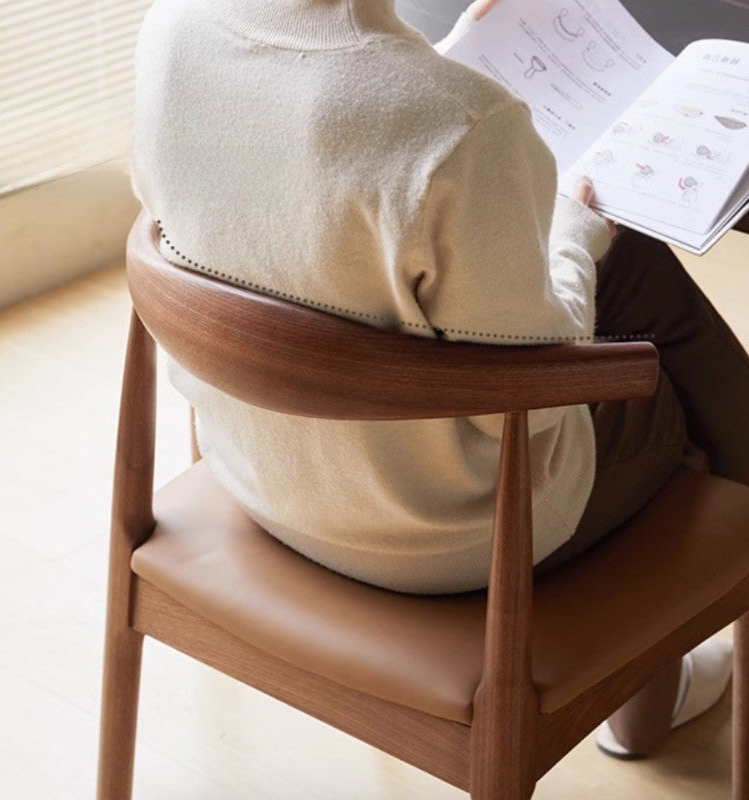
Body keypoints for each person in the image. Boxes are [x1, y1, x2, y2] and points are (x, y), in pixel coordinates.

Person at [131, 0, 745, 760]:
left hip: (260, 471)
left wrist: (441, 58)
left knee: (613, 282)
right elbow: (538, 395)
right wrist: (575, 238)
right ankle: (657, 676)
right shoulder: (464, 125)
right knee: (671, 375)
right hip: (449, 535)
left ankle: (661, 689)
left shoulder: (172, 31)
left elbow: (316, 151)